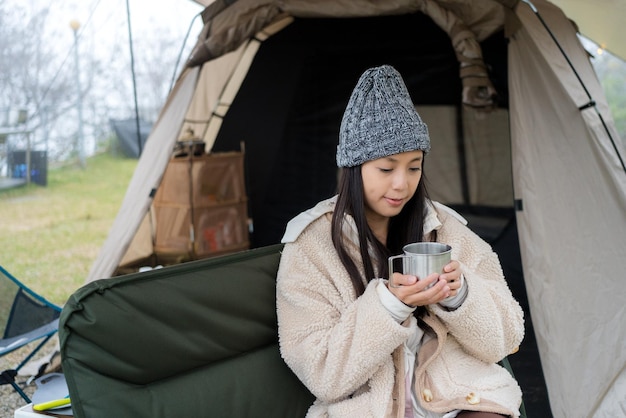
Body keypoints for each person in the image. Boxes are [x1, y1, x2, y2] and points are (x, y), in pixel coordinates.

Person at [276, 65, 525, 418]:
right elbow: (323, 374)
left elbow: (506, 336)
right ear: (353, 166)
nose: (401, 185)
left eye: (413, 167)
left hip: (459, 400)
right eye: (386, 168)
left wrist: (460, 295)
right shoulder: (311, 246)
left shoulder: (444, 228)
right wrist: (389, 305)